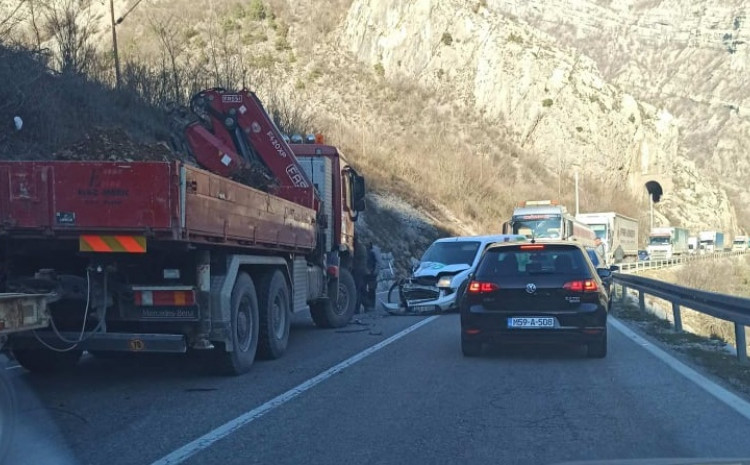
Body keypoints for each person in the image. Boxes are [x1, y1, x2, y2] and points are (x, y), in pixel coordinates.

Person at [364, 243, 378, 311]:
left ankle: (370, 305)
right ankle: (368, 305)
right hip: (367, 273)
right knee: (367, 290)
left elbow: (376, 262)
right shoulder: (369, 252)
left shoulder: (372, 252)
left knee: (371, 289)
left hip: (371, 273)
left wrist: (374, 271)